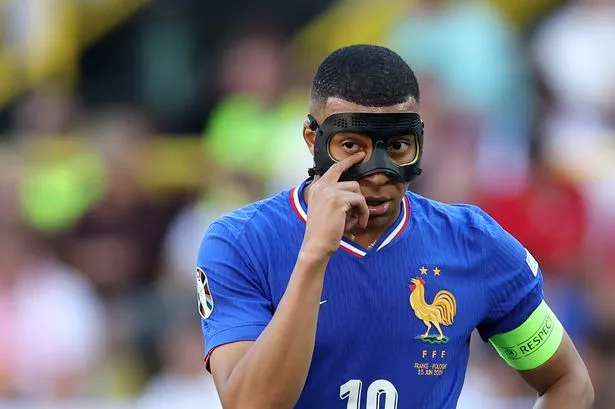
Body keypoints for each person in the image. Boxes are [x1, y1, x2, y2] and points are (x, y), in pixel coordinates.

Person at [196, 44, 593, 408]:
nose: (378, 173)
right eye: (351, 146)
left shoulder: (475, 243)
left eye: (398, 146)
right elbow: (248, 405)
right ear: (311, 138)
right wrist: (314, 255)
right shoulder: (240, 243)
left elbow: (567, 380)